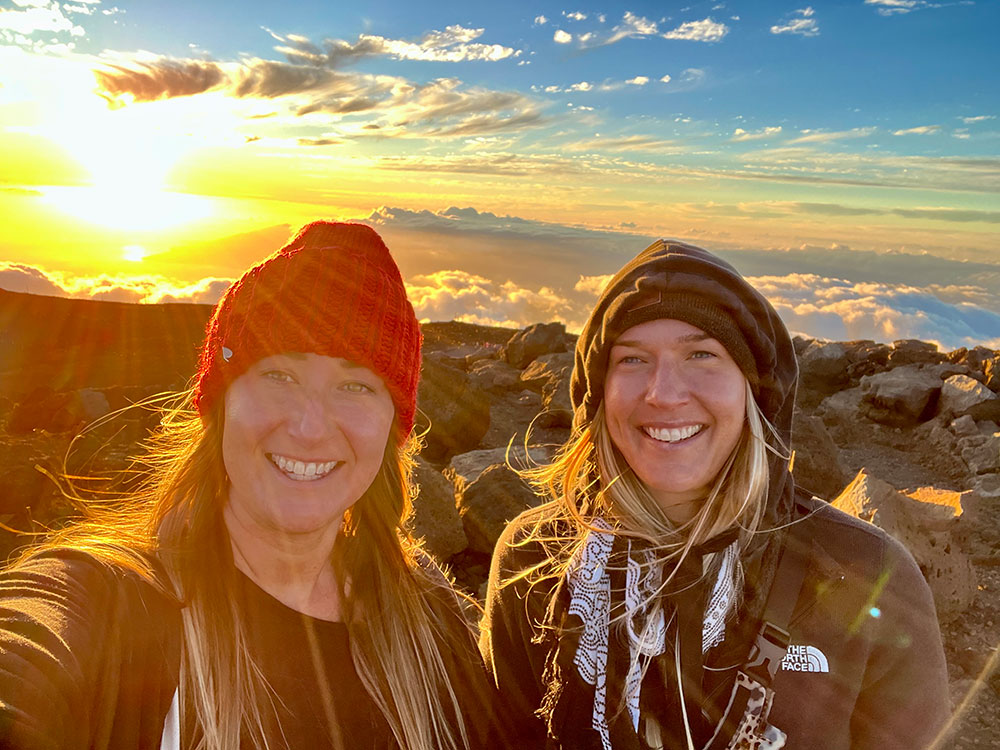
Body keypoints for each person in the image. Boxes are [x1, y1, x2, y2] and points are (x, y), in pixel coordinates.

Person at [0, 221, 499, 749]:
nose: (309, 428)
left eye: (355, 386)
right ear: (221, 405)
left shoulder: (434, 624)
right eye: (279, 375)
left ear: (391, 428)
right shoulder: (112, 603)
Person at [480, 239, 951, 750]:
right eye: (633, 359)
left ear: (755, 392)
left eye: (702, 354)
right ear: (598, 392)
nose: (663, 392)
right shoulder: (535, 559)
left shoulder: (868, 573)